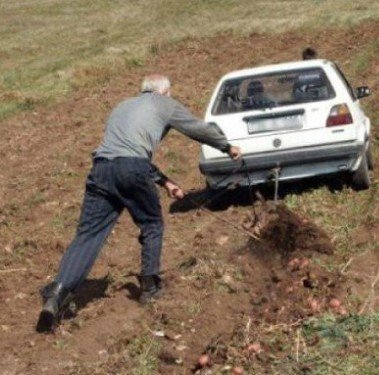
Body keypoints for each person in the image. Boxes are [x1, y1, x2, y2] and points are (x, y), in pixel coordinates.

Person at [36, 74, 242, 332]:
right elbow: (197, 129)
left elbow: (125, 152)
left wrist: (165, 182)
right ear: (164, 91)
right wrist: (226, 146)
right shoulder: (163, 103)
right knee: (152, 223)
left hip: (101, 169)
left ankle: (56, 294)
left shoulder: (122, 106)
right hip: (131, 168)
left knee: (87, 235)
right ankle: (149, 287)